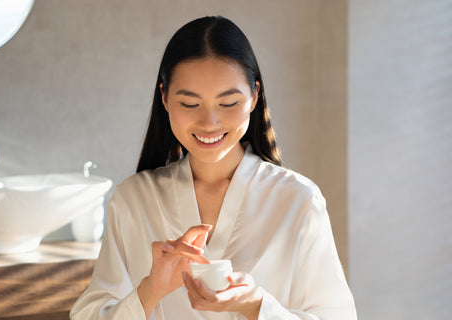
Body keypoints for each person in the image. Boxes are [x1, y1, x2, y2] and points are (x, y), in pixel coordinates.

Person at [70, 16, 356, 320]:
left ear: (254, 97)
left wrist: (256, 305)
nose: (209, 123)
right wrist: (150, 290)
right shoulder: (133, 199)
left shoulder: (298, 200)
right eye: (190, 104)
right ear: (164, 97)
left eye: (229, 103)